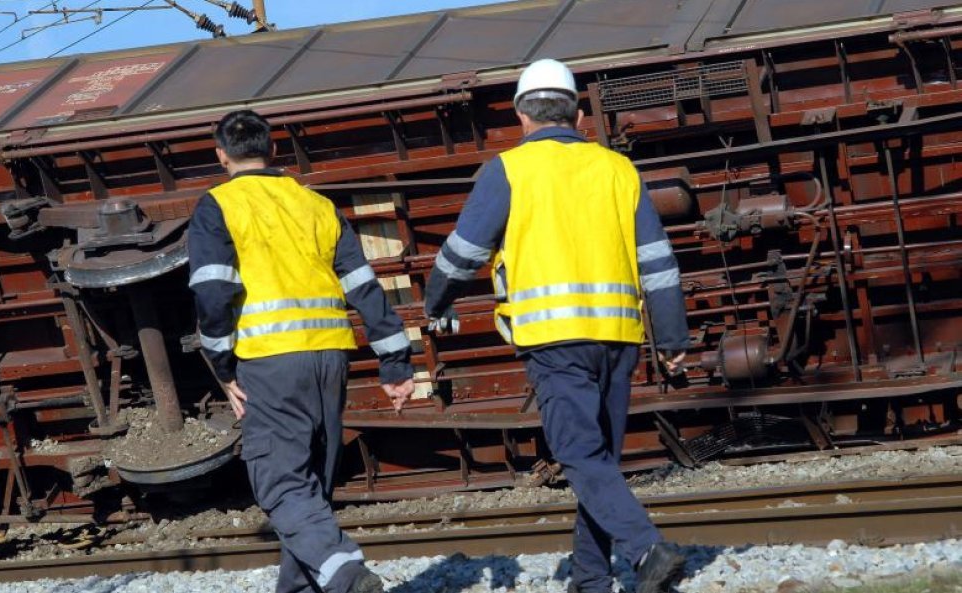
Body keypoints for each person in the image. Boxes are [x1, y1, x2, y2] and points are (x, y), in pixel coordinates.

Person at [423, 59, 691, 593]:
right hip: (618, 337)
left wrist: (437, 300)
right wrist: (673, 336)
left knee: (579, 457)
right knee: (600, 462)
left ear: (521, 114)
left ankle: (645, 550)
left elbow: (463, 254)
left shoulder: (509, 170)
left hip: (553, 340)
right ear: (580, 114)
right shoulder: (618, 170)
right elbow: (658, 261)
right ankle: (590, 579)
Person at [188, 109, 415, 593]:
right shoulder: (315, 204)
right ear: (273, 151)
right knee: (310, 486)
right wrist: (395, 362)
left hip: (268, 359)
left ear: (221, 154)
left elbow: (212, 293)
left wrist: (223, 367)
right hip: (331, 356)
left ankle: (346, 572)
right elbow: (364, 287)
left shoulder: (218, 205)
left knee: (281, 483)